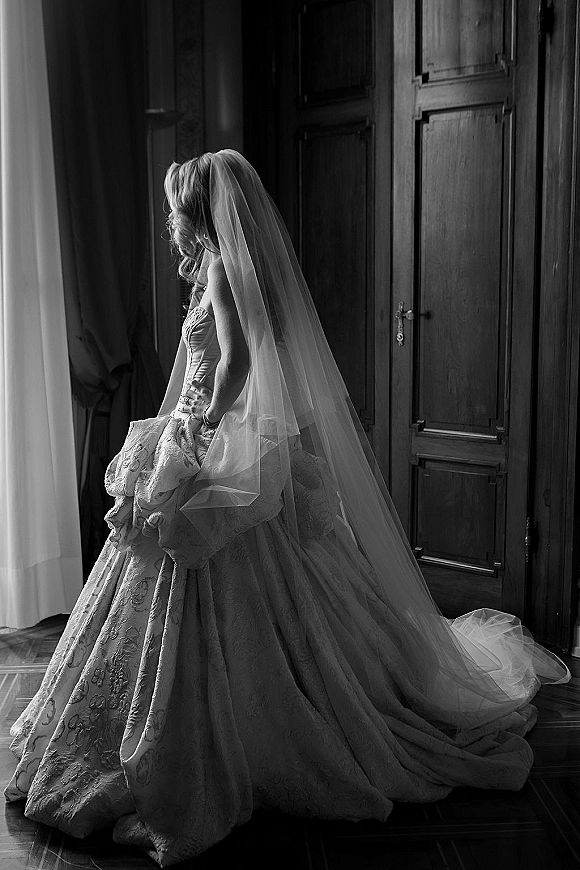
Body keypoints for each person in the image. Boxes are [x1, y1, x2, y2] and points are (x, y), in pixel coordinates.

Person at [4, 150, 570, 867]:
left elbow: (237, 361)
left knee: (202, 561)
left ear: (198, 213)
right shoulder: (221, 264)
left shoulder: (218, 269)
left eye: (175, 209)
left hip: (206, 431)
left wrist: (201, 429)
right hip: (197, 431)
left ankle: (226, 728)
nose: (169, 223)